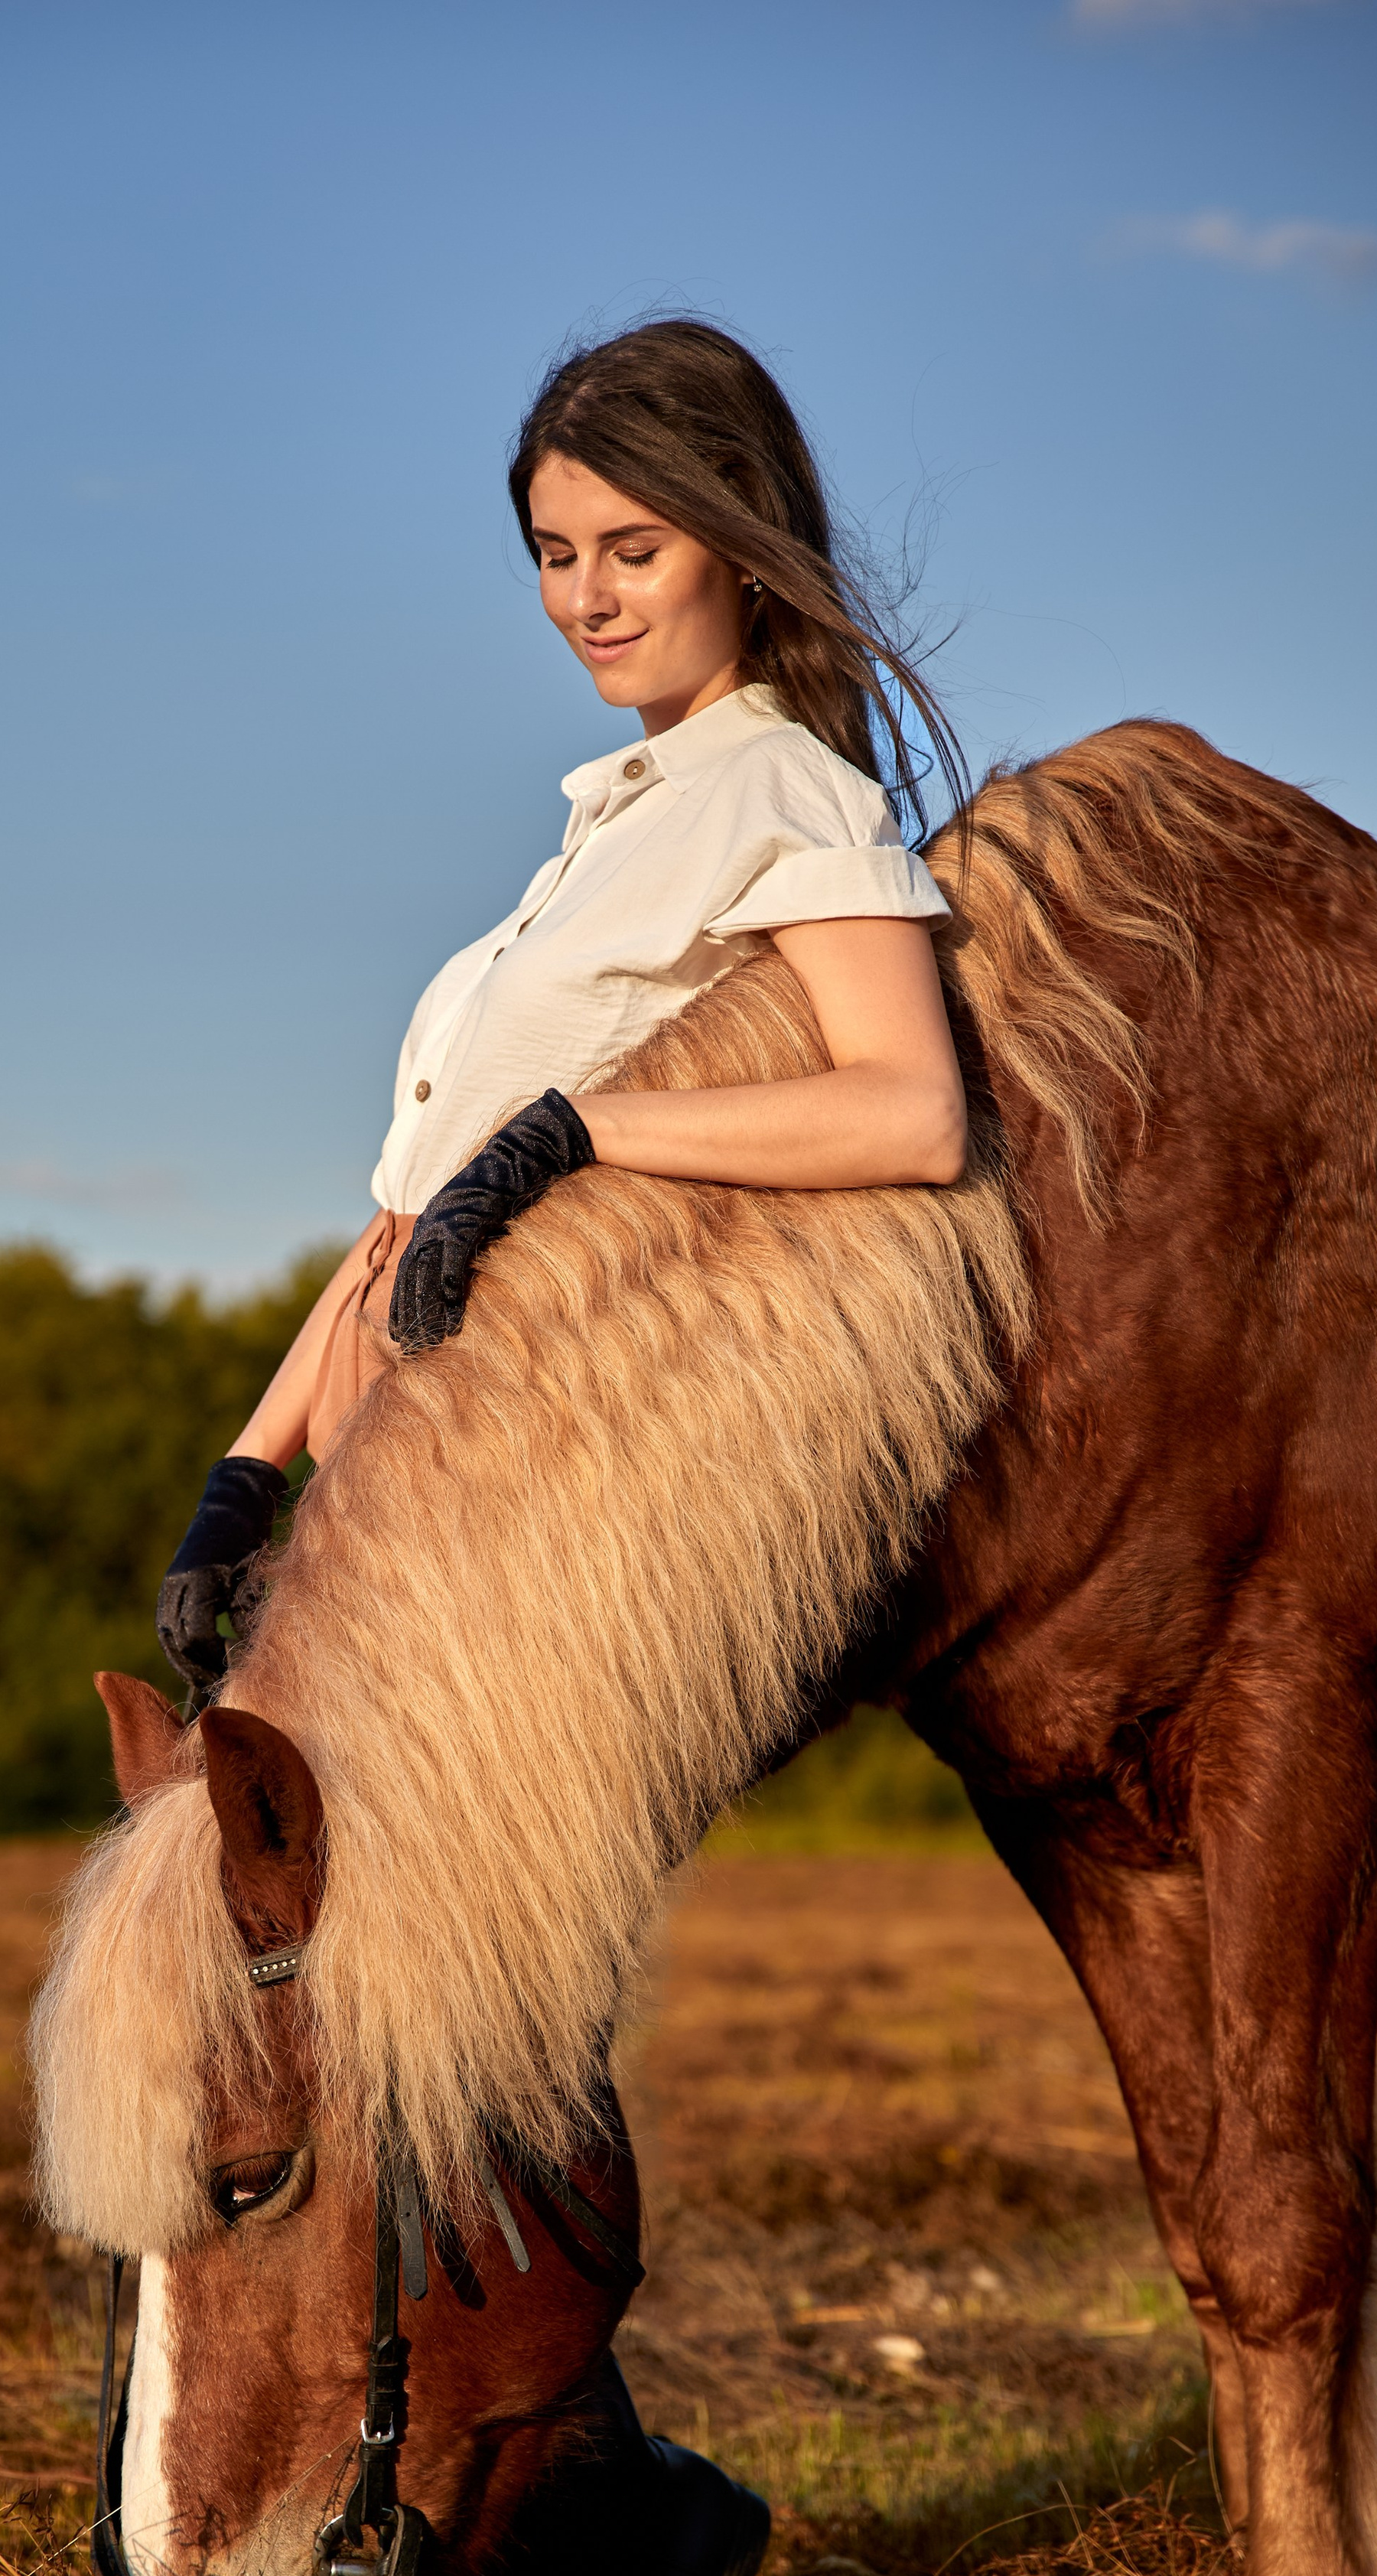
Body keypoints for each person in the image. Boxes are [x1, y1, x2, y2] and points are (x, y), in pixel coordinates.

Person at [157, 320, 968, 1700]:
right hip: (375, 1474)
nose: (586, 596)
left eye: (631, 550)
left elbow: (915, 1110)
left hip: (521, 1464)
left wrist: (574, 1132)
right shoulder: (603, 829)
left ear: (740, 539)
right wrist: (246, 1475)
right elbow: (408, 1207)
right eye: (553, 552)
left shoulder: (787, 791)